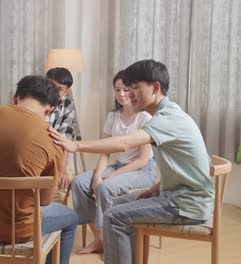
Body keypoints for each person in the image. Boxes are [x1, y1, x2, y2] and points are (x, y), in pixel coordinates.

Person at [49, 59, 213, 264]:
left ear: (155, 87)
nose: (129, 93)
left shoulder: (166, 119)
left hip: (184, 204)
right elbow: (191, 165)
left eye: (135, 87)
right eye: (127, 88)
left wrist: (77, 146)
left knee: (113, 216)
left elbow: (125, 143)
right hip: (179, 196)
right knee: (115, 207)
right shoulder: (169, 114)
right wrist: (156, 188)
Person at [0, 75, 79, 264]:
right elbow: (44, 201)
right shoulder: (52, 139)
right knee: (70, 217)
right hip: (20, 230)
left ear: (15, 98)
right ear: (49, 110)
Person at [71, 70, 156, 254]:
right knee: (78, 182)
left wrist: (108, 177)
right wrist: (97, 176)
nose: (122, 94)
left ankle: (112, 243)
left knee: (105, 187)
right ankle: (99, 239)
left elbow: (142, 160)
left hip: (142, 171)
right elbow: (105, 150)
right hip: (119, 166)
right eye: (118, 90)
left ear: (134, 91)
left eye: (126, 89)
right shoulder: (113, 116)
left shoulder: (145, 118)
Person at [46, 68, 77, 199]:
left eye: (59, 89)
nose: (53, 92)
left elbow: (65, 139)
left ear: (66, 91)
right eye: (50, 86)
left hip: (56, 152)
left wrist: (63, 167)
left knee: (63, 181)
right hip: (36, 151)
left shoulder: (68, 104)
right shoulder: (37, 100)